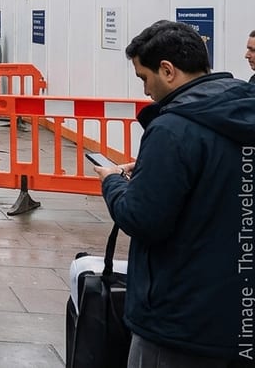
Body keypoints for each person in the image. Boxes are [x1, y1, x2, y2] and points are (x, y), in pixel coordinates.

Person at [93, 20, 253, 366]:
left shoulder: (172, 128)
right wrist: (154, 169)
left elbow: (142, 218)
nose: (146, 91)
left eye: (144, 78)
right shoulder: (243, 108)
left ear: (167, 70)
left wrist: (112, 181)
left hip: (179, 322)